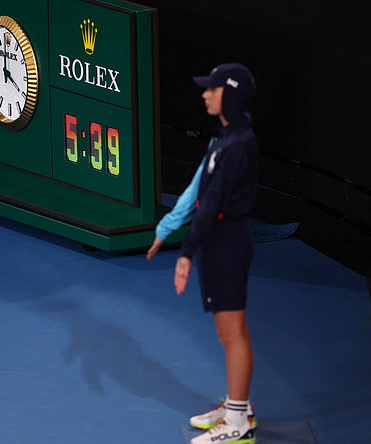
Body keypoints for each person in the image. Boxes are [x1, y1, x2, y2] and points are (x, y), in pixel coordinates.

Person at [147, 63, 259, 444]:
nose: (204, 95)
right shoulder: (227, 139)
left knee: (232, 333)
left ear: (227, 95)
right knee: (229, 332)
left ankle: (239, 421)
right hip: (220, 240)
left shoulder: (237, 145)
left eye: (211, 89)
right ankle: (236, 407)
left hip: (226, 241)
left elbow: (211, 205)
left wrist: (186, 251)